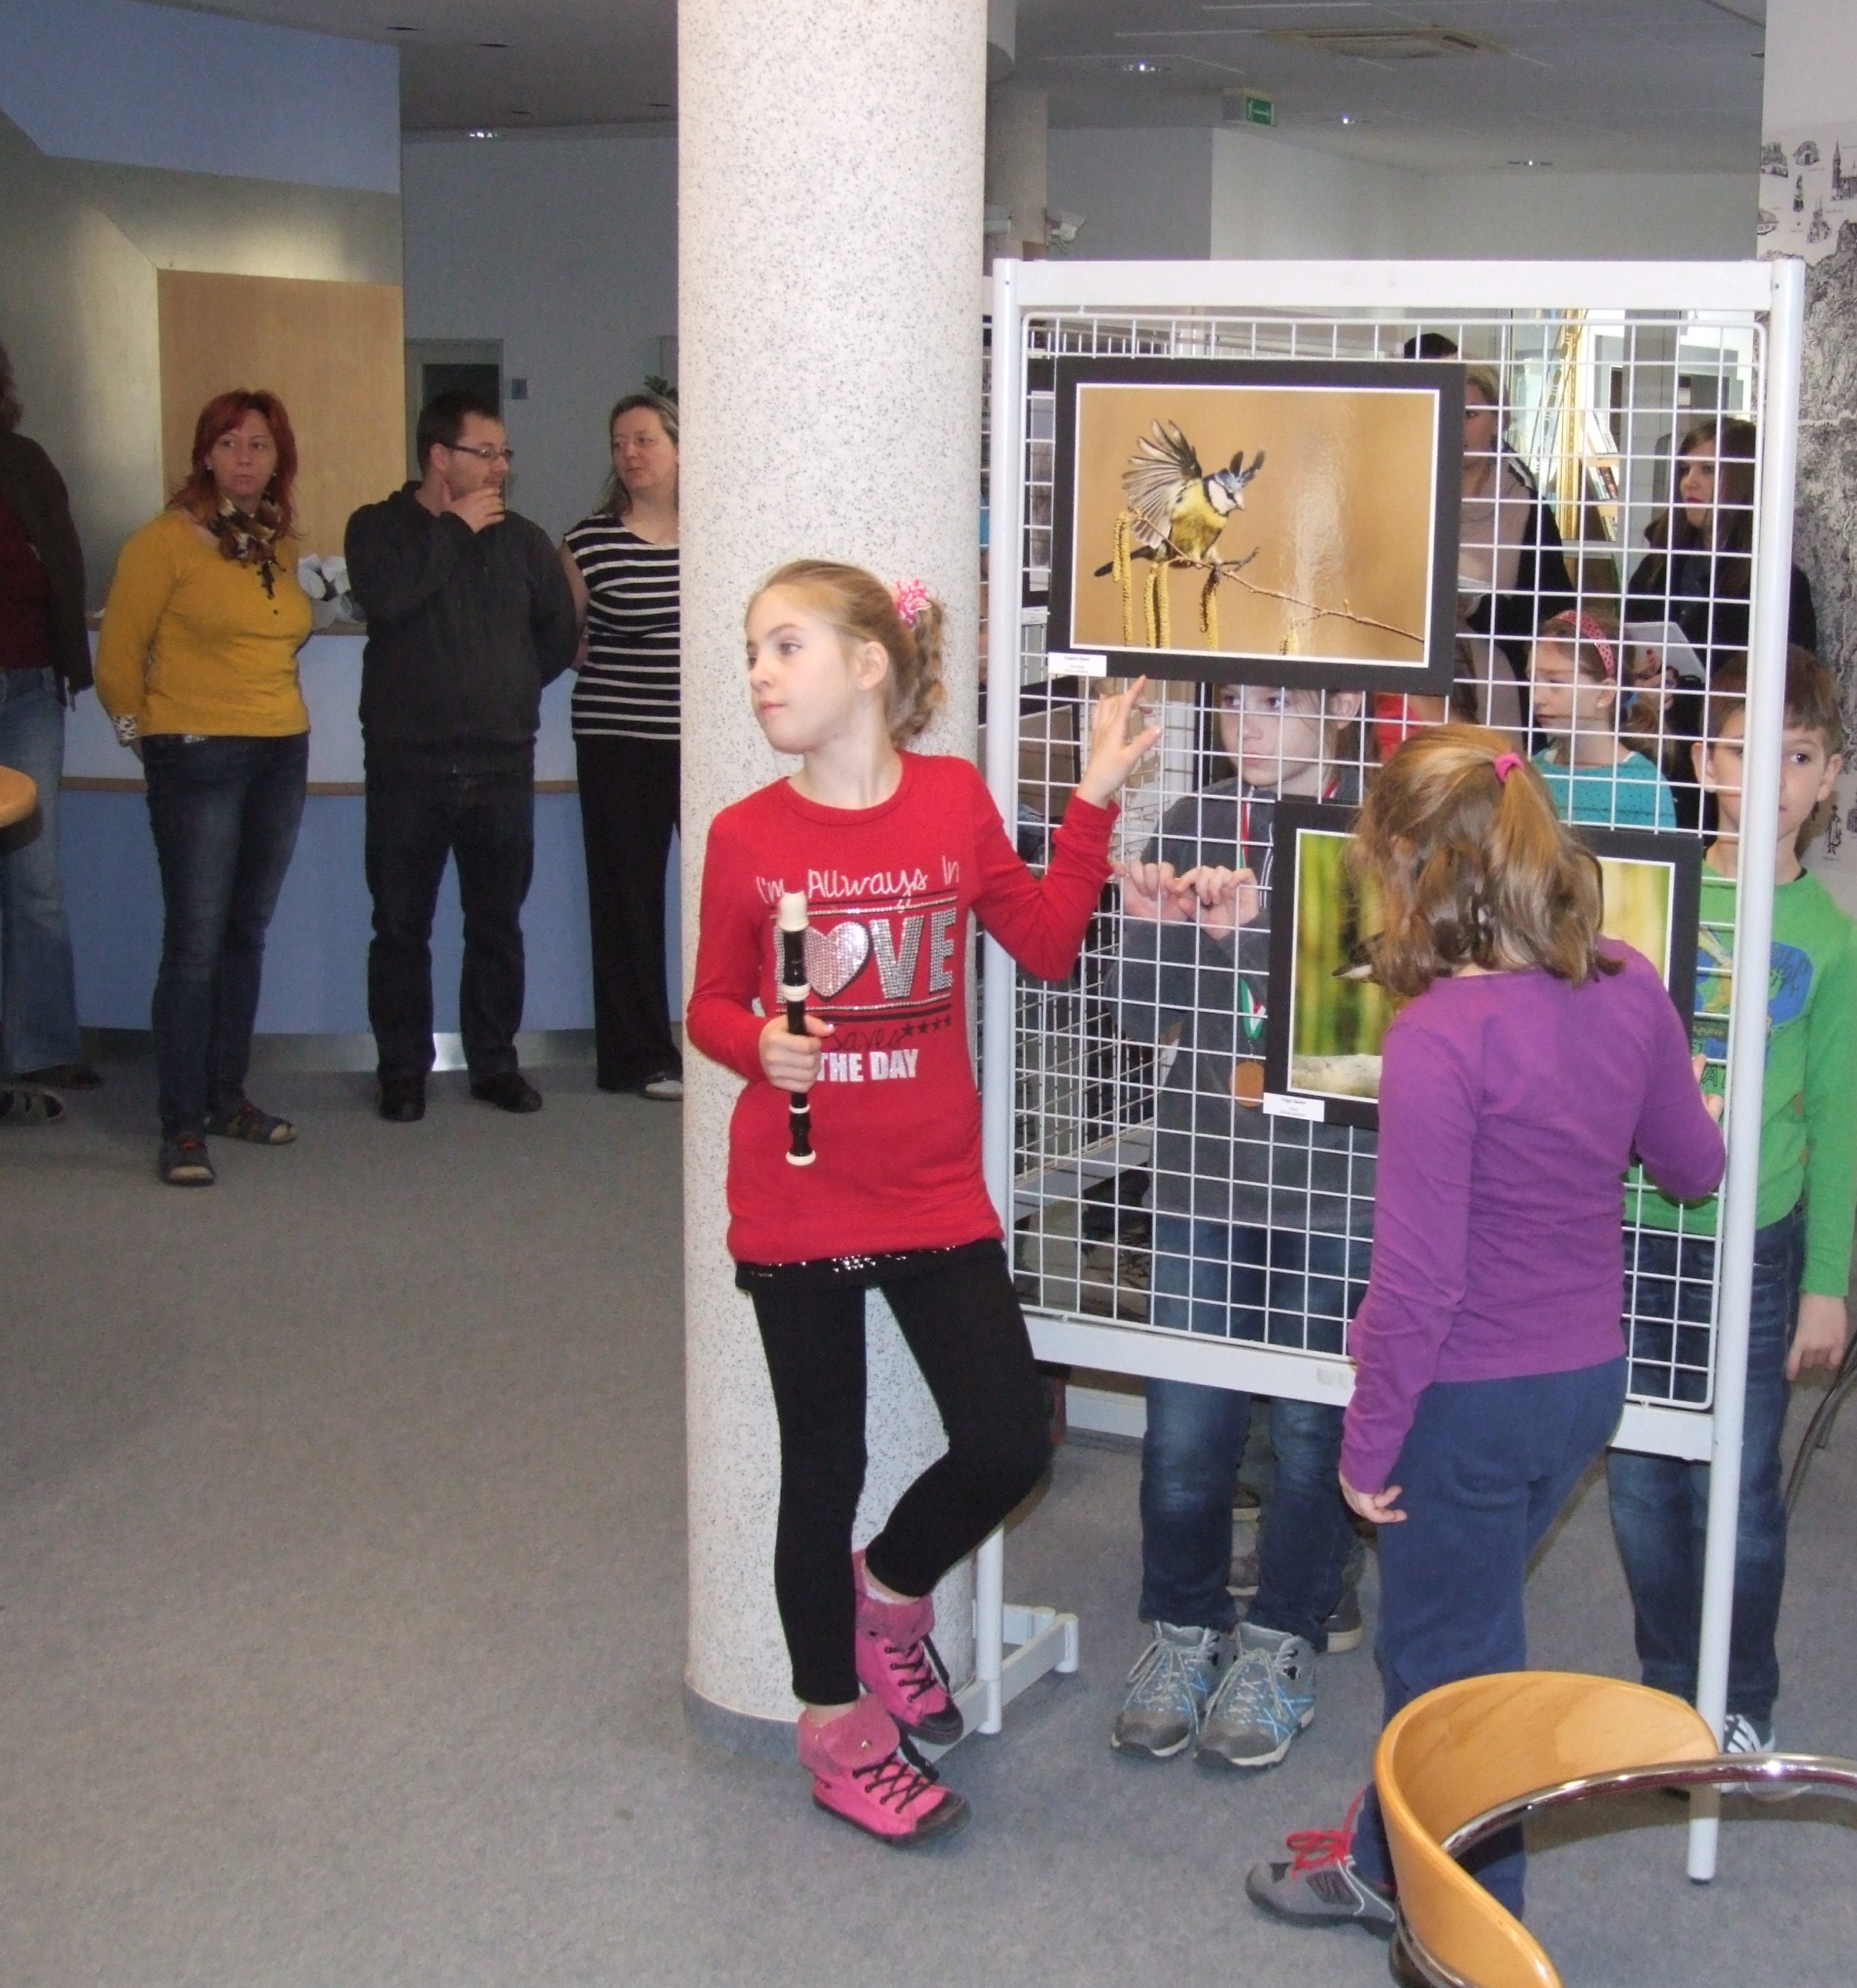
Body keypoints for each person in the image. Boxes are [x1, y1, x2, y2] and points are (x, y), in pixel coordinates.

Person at [686, 561, 1159, 1846]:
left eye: (786, 646)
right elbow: (709, 1003)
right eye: (752, 651)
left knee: (1010, 1441)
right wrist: (756, 1047)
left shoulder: (951, 800)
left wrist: (1092, 799)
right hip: (796, 1204)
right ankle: (833, 1724)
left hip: (932, 1191)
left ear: (868, 666)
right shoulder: (745, 835)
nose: (759, 674)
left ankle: (889, 1592)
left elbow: (1047, 943)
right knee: (822, 1466)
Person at [1246, 726, 1726, 1934]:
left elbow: (1416, 1287)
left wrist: (1365, 1447)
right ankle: (1383, 1854)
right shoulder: (1628, 981)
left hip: (1463, 1408)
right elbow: (1693, 1167)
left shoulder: (1436, 1039)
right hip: (1583, 1389)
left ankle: (1474, 1931)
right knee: (1460, 1630)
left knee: (1446, 1680)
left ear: (1415, 873)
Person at [1110, 683, 1374, 1772]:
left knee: (1313, 1432)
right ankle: (1183, 1630)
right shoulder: (1194, 817)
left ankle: (1282, 1640)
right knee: (1185, 1431)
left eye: (1278, 702)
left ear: (1343, 705)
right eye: (1234, 704)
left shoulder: (1382, 829)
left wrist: (1261, 929)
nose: (1247, 726)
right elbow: (1142, 1018)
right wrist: (1149, 926)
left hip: (1338, 1185)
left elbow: (1374, 1032)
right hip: (1202, 1174)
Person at [1607, 655, 1857, 1756]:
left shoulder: (1833, 939)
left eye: (1794, 756)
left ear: (1827, 777)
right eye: (1739, 749)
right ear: (1702, 761)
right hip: (1632, 1230)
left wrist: (1826, 1285)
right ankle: (1671, 1683)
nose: (1765, 777)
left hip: (1753, 1246)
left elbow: (1837, 1122)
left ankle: (1739, 1692)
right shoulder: (1649, 896)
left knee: (1740, 1488)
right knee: (1637, 1476)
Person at [95, 391, 314, 1185]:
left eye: (260, 445)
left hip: (280, 750)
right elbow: (118, 657)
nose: (245, 459)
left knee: (244, 934)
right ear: (205, 455)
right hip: (195, 754)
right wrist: (145, 740)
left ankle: (227, 1097)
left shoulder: (275, 543)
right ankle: (182, 1124)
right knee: (194, 943)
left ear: (278, 459)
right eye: (229, 444)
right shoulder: (162, 541)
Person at [346, 390, 576, 1123]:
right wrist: (452, 528)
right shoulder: (377, 529)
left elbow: (558, 634)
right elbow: (389, 600)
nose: (501, 467)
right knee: (400, 929)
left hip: (502, 766)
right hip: (407, 767)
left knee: (497, 927)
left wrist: (510, 686)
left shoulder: (525, 541)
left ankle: (494, 1064)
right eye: (486, 452)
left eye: (505, 453)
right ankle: (402, 1071)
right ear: (440, 457)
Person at [0, 313, 91, 1126]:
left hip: (32, 691)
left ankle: (41, 1048)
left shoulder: (23, 461)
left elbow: (64, 563)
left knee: (36, 882)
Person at [561, 391, 683, 1099]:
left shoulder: (723, 534)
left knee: (728, 897)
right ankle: (639, 1058)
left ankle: (727, 1044)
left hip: (704, 748)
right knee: (627, 903)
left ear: (679, 447)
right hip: (618, 743)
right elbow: (556, 634)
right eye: (619, 443)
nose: (630, 455)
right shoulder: (589, 543)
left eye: (644, 440)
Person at [1623, 416, 1818, 667]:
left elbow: (1796, 678)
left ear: (1744, 480)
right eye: (1685, 469)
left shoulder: (1777, 584)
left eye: (1708, 469)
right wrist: (1638, 681)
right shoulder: (1656, 567)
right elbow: (1626, 653)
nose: (1689, 483)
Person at [1455, 365, 1574, 681]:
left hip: (1500, 685)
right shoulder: (1409, 503)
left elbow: (1552, 621)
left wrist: (1478, 607)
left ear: (1498, 421)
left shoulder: (1527, 510)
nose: (1456, 425)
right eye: (1446, 410)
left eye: (1469, 414)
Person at [1530, 607, 1678, 830]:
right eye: (1532, 680)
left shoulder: (1644, 786)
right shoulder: (1531, 772)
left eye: (1555, 682)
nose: (1537, 697)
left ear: (1605, 693)